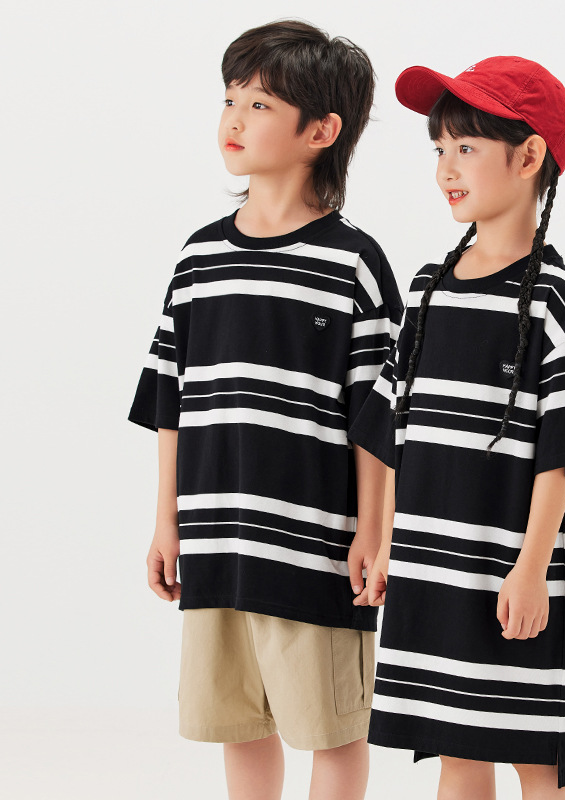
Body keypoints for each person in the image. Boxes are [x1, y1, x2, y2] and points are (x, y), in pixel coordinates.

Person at [128, 20, 402, 800]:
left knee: (333, 728)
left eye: (260, 104)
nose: (235, 120)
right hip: (217, 537)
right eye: (230, 100)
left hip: (315, 544)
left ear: (321, 131)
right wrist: (167, 521)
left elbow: (379, 415)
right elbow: (170, 400)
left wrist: (374, 532)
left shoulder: (354, 263)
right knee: (239, 723)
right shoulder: (199, 258)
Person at [347, 56, 565, 799]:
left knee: (536, 756)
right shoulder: (427, 291)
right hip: (436, 568)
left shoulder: (553, 299)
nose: (446, 168)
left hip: (517, 571)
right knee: (456, 750)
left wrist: (532, 570)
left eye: (466, 147)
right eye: (440, 148)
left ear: (528, 157)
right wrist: (385, 539)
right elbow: (392, 430)